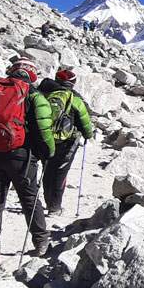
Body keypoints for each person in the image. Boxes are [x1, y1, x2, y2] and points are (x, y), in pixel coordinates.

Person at [0, 58, 55, 269]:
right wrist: (48, 152)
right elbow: (44, 129)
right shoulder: (34, 95)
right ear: (31, 75)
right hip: (21, 156)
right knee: (30, 199)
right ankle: (41, 242)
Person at [38, 69, 94, 216]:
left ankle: (48, 201)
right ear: (73, 83)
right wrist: (88, 134)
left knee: (47, 169)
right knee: (60, 172)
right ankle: (55, 207)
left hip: (46, 138)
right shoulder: (74, 99)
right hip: (67, 142)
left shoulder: (44, 94)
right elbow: (85, 122)